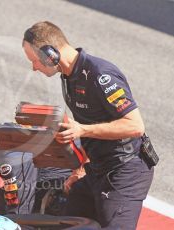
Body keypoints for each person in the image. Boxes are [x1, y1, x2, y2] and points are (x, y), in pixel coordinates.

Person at [22, 21, 154, 229]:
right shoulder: (69, 77)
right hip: (97, 169)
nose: (34, 67)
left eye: (35, 60)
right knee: (67, 218)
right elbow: (91, 124)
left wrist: (82, 130)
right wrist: (82, 168)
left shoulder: (100, 75)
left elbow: (135, 126)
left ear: (50, 53)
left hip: (125, 170)